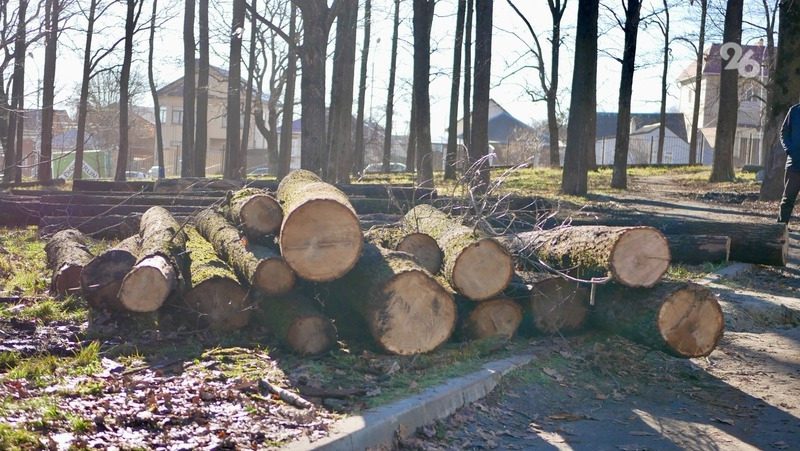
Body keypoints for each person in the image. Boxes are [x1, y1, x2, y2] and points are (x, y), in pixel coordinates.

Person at [778, 102, 800, 223]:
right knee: (787, 199)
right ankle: (780, 229)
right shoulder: (794, 111)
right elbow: (784, 132)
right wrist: (789, 150)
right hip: (794, 165)